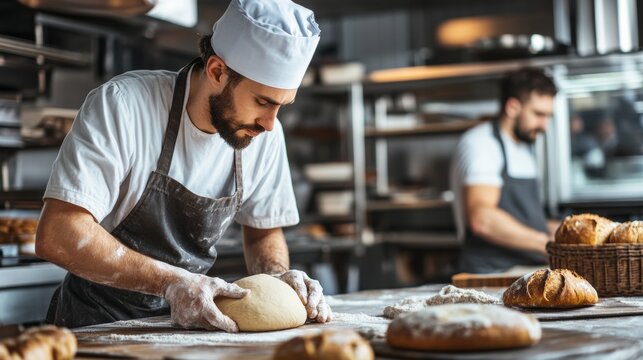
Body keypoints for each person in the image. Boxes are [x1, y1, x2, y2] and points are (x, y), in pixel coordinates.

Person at [36, 0, 332, 331]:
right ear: (218, 72)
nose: (270, 124)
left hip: (184, 330)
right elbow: (59, 233)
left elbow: (263, 231)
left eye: (282, 106)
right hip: (94, 327)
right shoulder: (123, 105)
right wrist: (172, 283)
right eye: (263, 101)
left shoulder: (263, 134)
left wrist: (277, 278)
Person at [450, 67, 559, 273]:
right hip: (492, 275)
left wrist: (566, 234)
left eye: (548, 116)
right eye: (538, 114)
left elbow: (526, 219)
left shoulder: (523, 148)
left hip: (526, 270)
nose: (544, 125)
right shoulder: (482, 143)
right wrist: (548, 245)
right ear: (512, 107)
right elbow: (482, 219)